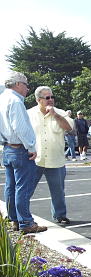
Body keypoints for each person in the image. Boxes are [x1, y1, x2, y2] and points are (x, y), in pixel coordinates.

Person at [0, 71, 46, 233]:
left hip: (7, 147)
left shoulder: (2, 98)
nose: (27, 89)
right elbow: (20, 128)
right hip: (19, 149)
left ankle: (14, 219)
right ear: (18, 84)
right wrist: (31, 147)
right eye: (26, 85)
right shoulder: (15, 101)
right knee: (23, 188)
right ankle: (26, 222)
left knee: (10, 187)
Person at [27, 86, 74, 225]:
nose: (51, 100)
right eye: (47, 98)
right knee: (27, 190)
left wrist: (56, 115)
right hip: (34, 159)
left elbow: (69, 128)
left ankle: (60, 215)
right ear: (38, 100)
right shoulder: (28, 114)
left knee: (58, 191)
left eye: (52, 97)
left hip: (56, 159)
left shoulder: (60, 113)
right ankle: (21, 216)